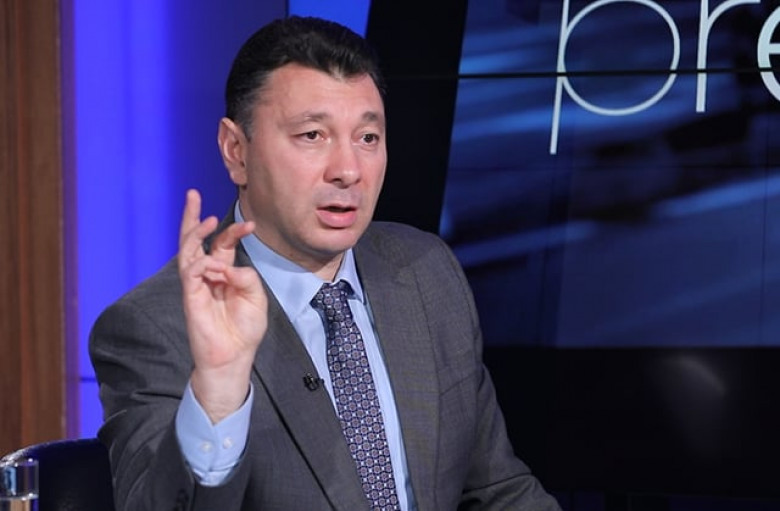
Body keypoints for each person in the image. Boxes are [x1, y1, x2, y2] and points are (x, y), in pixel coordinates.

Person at [89, 15, 562, 511]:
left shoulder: (426, 271)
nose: (348, 170)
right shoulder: (155, 326)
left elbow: (497, 491)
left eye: (367, 138)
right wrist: (219, 390)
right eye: (313, 135)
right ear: (236, 151)